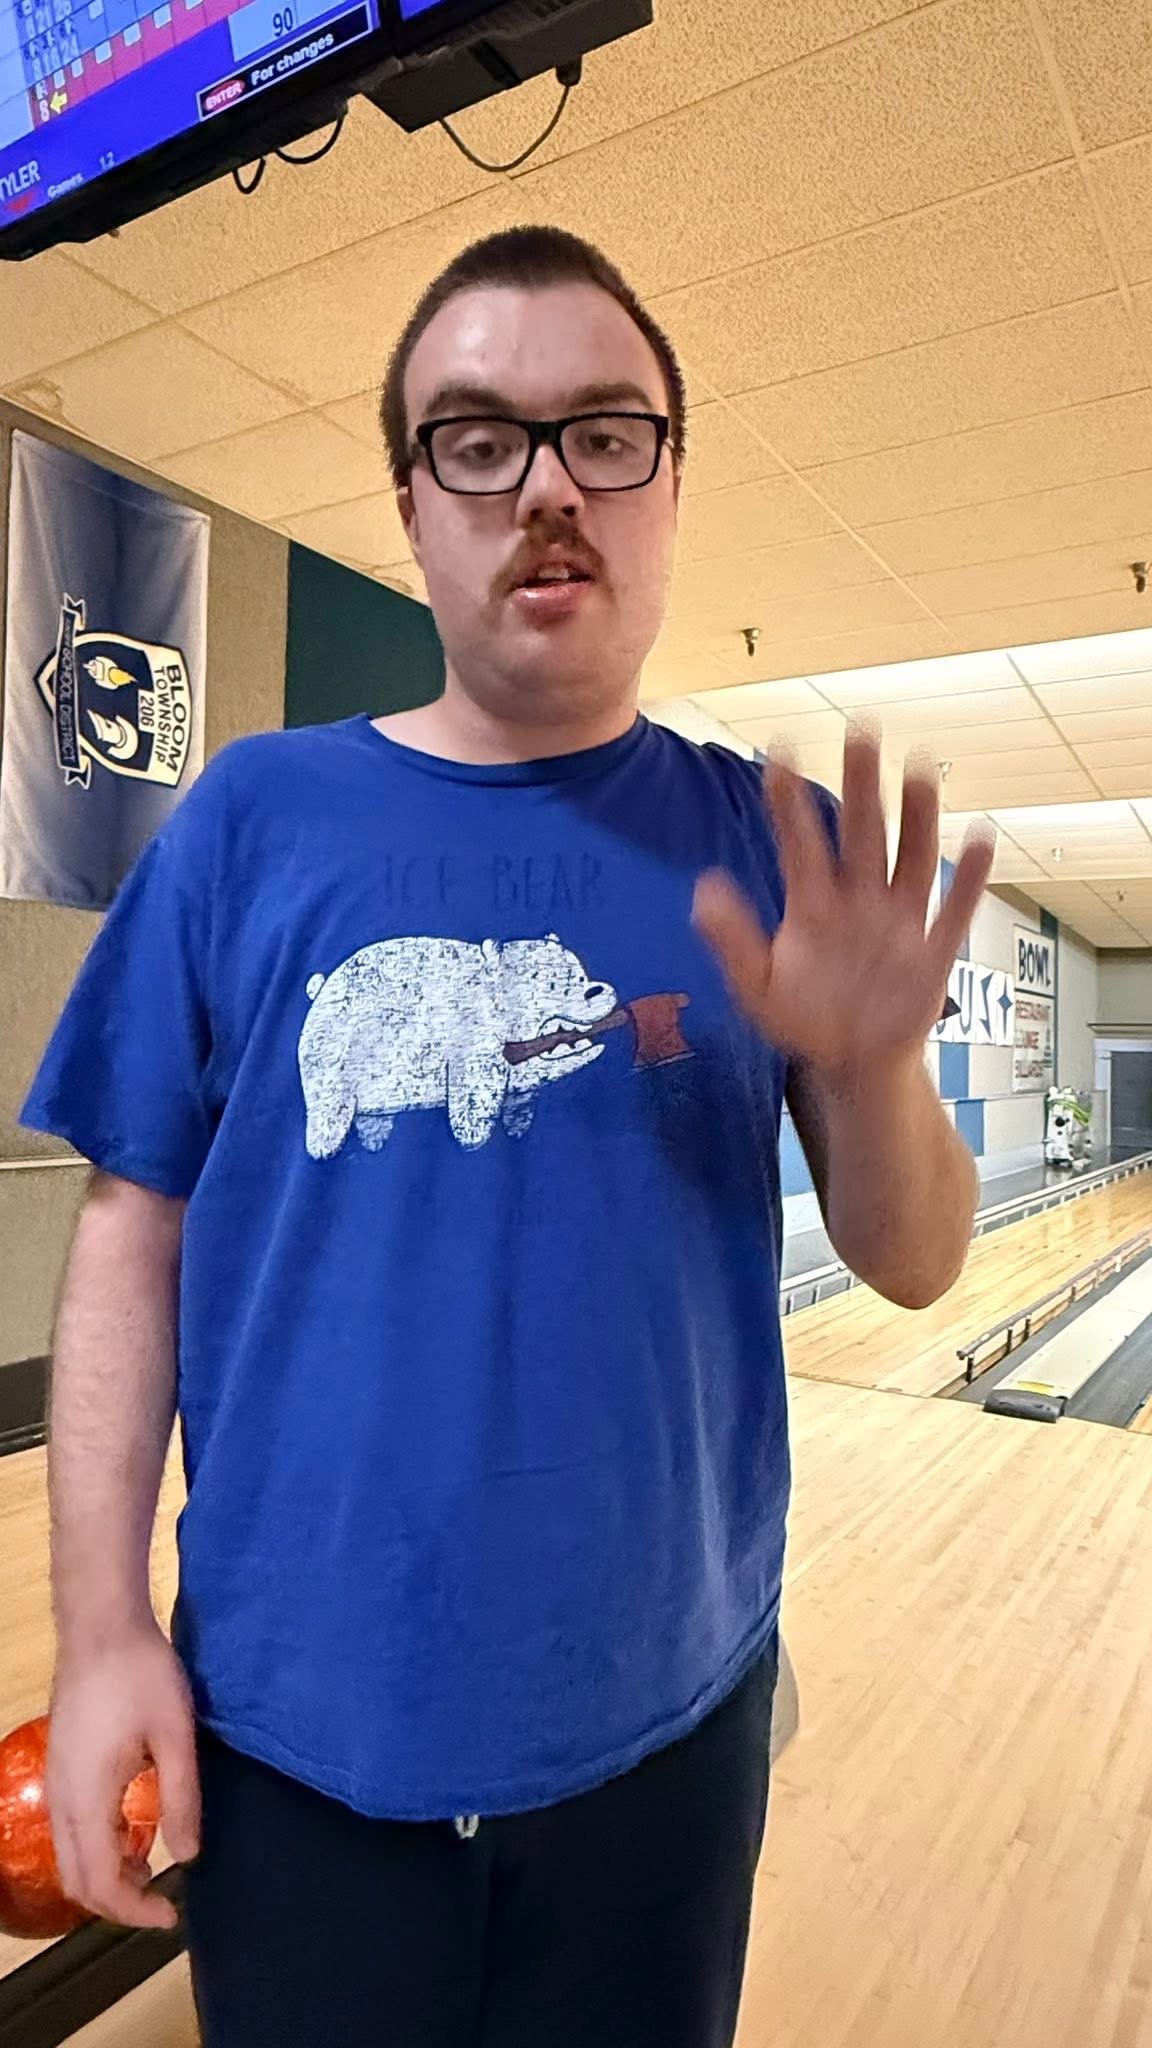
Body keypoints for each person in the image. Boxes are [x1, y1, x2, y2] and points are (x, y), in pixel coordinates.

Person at [23, 226, 992, 2048]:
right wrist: (98, 1634)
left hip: (668, 1729)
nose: (546, 487)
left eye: (602, 433)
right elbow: (129, 1235)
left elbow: (921, 1259)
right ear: (413, 504)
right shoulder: (252, 820)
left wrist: (871, 1073)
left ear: (671, 481)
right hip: (296, 1733)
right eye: (480, 440)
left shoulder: (761, 842)